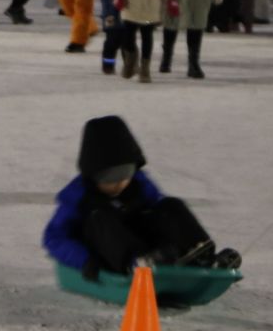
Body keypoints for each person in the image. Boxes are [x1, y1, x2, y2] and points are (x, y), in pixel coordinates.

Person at [43, 115, 241, 278]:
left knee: (169, 206)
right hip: (110, 254)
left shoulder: (139, 184)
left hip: (148, 249)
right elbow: (54, 238)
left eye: (126, 174)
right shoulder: (78, 196)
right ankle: (138, 265)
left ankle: (201, 255)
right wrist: (86, 260)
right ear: (92, 174)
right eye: (109, 177)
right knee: (99, 218)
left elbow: (160, 214)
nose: (119, 183)